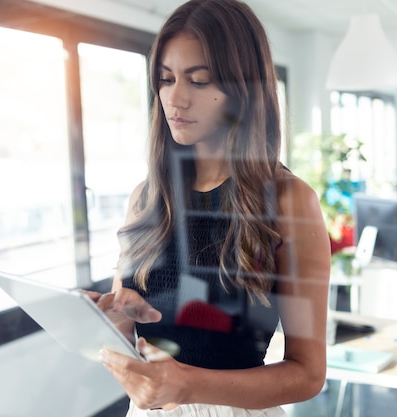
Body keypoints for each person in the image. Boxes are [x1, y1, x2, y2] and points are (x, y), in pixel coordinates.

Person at [85, 1, 331, 415]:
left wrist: (188, 386)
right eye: (165, 79)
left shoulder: (289, 200)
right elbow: (129, 336)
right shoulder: (147, 197)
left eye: (198, 81)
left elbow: (307, 374)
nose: (175, 99)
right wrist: (110, 317)